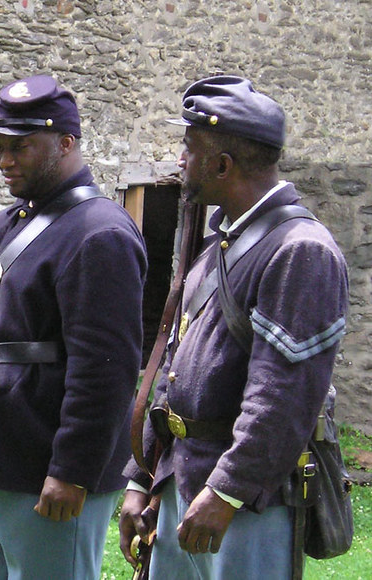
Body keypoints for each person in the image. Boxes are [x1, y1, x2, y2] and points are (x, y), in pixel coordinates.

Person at [119, 75, 349, 579]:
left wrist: (227, 491)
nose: (180, 159)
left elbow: (282, 396)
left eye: (189, 147)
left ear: (222, 164)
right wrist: (140, 476)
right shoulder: (219, 244)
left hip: (242, 502)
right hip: (181, 480)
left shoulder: (299, 250)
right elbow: (172, 369)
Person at [0, 75, 148, 579]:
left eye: (22, 147)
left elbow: (106, 370)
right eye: (1, 147)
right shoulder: (15, 222)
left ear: (67, 143)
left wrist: (72, 469)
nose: (6, 159)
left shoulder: (101, 232)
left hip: (44, 467)